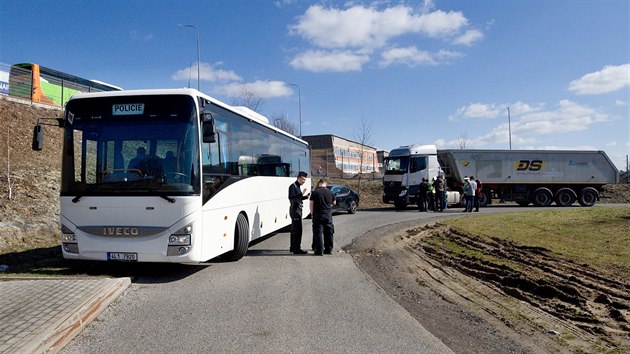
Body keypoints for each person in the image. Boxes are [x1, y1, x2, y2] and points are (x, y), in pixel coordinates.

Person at [309, 179, 335, 256]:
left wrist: (312, 213)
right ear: (325, 184)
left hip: (318, 214)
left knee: (318, 233)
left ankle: (319, 250)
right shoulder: (330, 192)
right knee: (328, 232)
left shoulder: (315, 192)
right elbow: (334, 202)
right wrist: (329, 206)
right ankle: (328, 249)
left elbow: (311, 204)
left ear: (319, 184)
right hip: (328, 215)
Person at [288, 171, 310, 254]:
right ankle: (296, 249)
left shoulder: (297, 186)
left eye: (305, 180)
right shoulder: (293, 186)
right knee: (297, 230)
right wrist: (301, 193)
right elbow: (292, 198)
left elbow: (298, 198)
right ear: (299, 178)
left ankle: (293, 247)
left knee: (295, 230)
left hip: (297, 210)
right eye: (303, 179)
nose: (304, 181)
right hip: (295, 210)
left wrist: (305, 197)